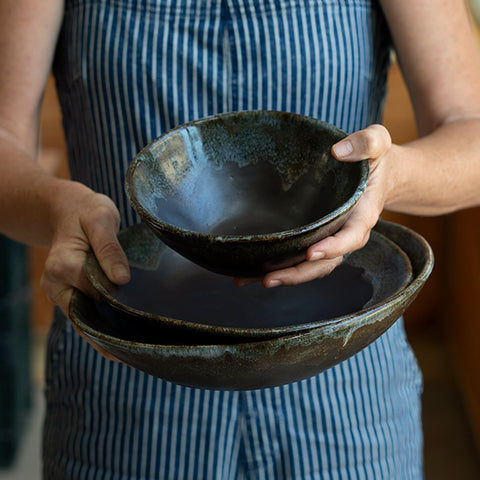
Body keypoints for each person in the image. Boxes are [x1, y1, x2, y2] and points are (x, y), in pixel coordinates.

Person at [1, 0, 480, 478]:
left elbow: (471, 131)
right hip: (126, 393)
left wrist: (394, 174)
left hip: (345, 395)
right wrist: (54, 207)